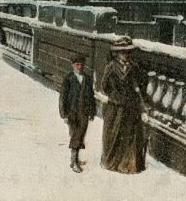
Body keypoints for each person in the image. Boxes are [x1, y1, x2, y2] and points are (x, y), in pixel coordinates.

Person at [101, 36, 149, 174]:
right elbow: (104, 86)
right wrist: (115, 96)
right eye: (123, 52)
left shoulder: (134, 67)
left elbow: (140, 85)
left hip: (130, 107)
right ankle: (111, 162)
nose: (126, 55)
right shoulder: (111, 67)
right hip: (115, 107)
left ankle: (128, 164)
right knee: (114, 134)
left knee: (130, 135)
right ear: (118, 53)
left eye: (128, 53)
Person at [59, 54, 96, 173]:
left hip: (84, 112)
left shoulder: (88, 78)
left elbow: (91, 96)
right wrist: (64, 114)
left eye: (81, 65)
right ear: (72, 65)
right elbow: (63, 97)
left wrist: (92, 111)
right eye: (77, 65)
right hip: (72, 112)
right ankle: (74, 162)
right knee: (75, 135)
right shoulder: (68, 78)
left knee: (81, 135)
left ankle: (75, 159)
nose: (79, 67)